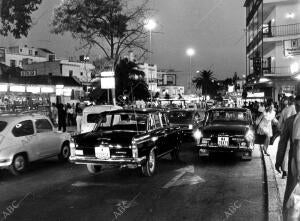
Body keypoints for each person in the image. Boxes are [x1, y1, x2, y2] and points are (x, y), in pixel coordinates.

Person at [275, 95, 300, 221]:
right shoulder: (292, 120)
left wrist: (278, 161)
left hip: (294, 163)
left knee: (290, 194)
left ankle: (287, 217)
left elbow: (282, 142)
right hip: (294, 161)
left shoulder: (290, 120)